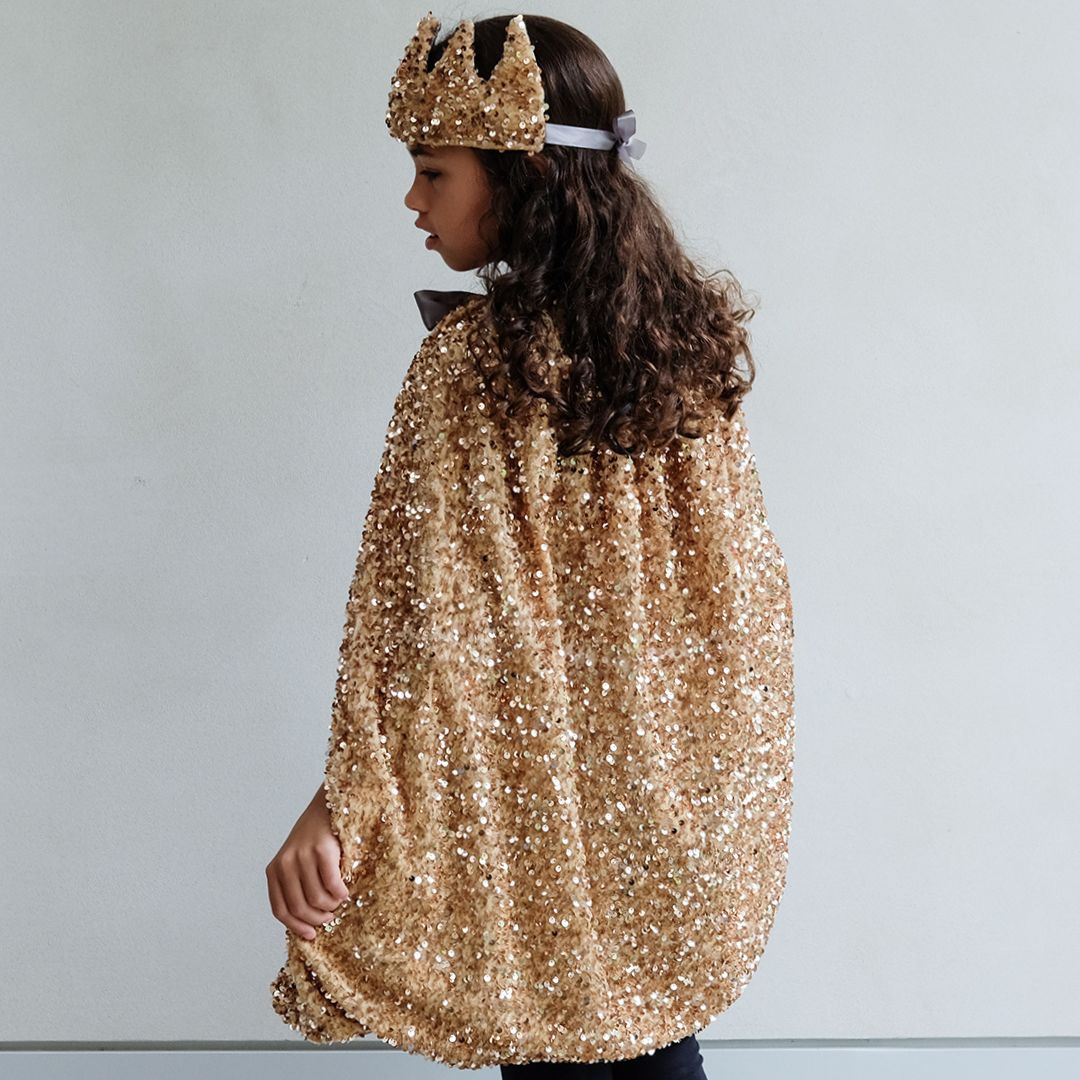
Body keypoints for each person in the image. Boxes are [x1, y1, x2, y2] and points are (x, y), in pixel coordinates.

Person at [267, 12, 795, 1078]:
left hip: (532, 799)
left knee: (556, 1022)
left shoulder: (470, 369)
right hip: (666, 788)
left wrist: (343, 801)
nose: (413, 202)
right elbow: (746, 603)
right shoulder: (680, 349)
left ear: (524, 176)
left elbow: (423, 614)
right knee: (641, 1025)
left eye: (433, 172)